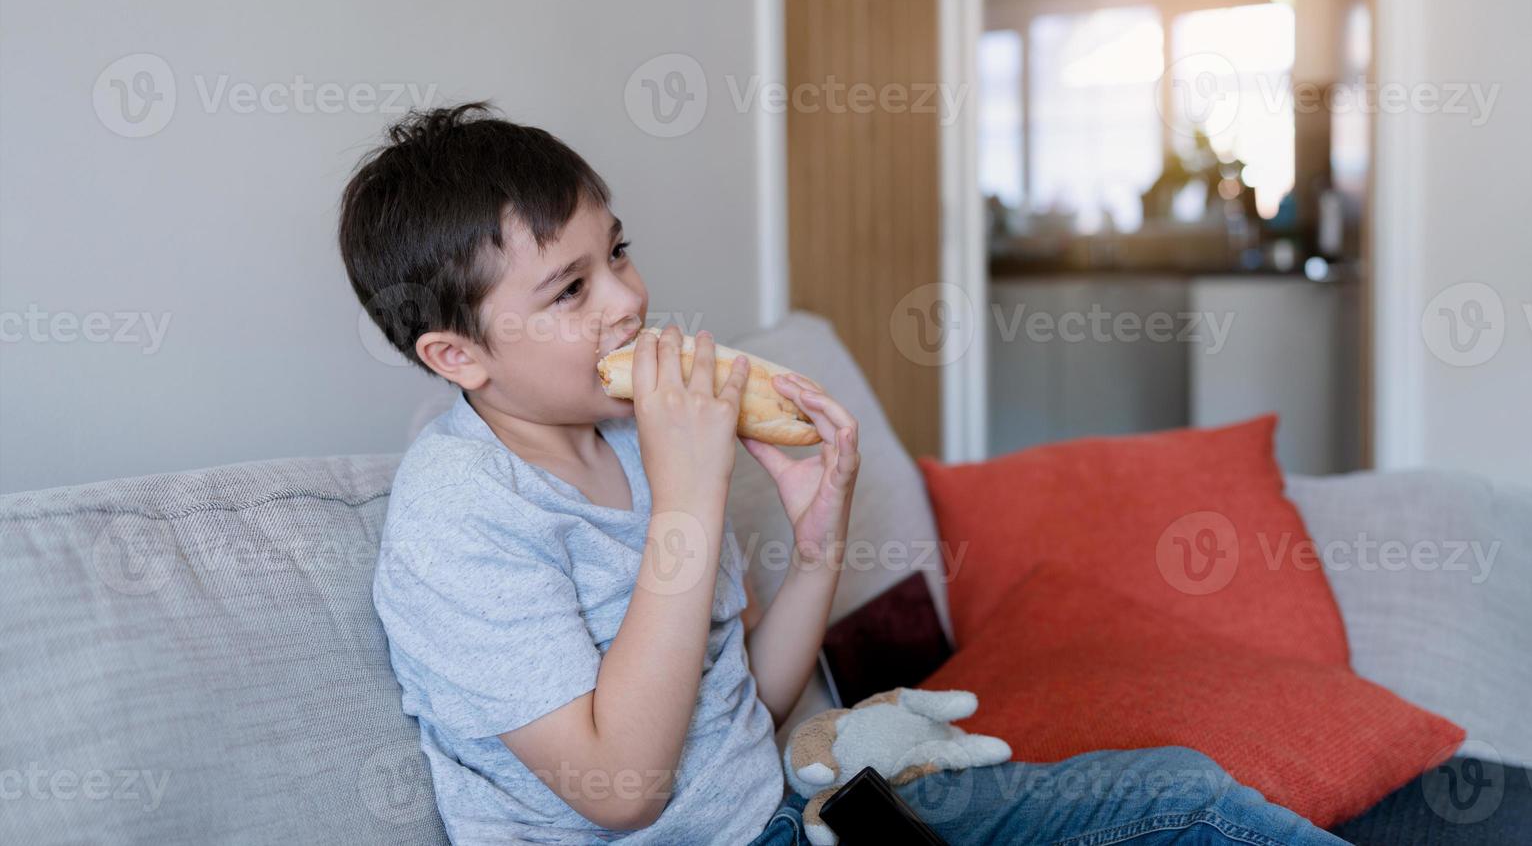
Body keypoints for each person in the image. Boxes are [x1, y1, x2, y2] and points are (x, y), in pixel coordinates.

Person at [339, 102, 1346, 845]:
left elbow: (746, 707)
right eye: (570, 288)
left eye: (618, 253)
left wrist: (817, 542)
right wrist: (689, 499)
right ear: (457, 356)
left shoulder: (638, 440)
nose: (629, 301)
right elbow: (620, 785)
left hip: (789, 812)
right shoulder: (460, 516)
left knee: (1177, 798)